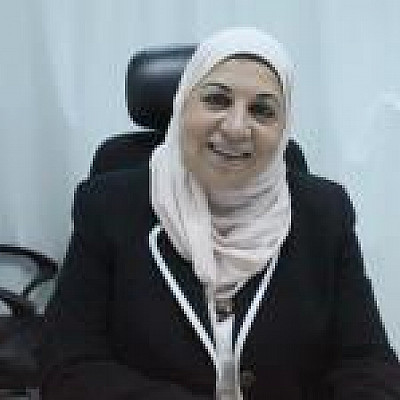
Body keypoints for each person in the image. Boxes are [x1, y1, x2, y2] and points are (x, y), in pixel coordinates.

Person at [37, 27, 400, 399]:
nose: (236, 127)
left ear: (283, 128)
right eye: (216, 100)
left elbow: (367, 361)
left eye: (262, 110)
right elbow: (69, 365)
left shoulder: (324, 213)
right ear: (183, 104)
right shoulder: (107, 207)